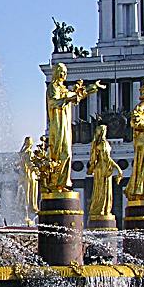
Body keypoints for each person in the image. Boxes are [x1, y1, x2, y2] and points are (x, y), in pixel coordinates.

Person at [45, 63, 101, 191]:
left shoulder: (63, 89)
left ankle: (62, 183)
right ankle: (55, 183)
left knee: (67, 153)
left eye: (65, 72)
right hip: (57, 124)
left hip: (65, 124)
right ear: (56, 73)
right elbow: (54, 102)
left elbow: (76, 97)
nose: (64, 75)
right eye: (62, 72)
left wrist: (92, 88)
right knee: (59, 152)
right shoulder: (53, 87)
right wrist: (68, 99)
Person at [87, 125, 122, 217]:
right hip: (103, 168)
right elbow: (107, 158)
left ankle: (100, 209)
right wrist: (118, 168)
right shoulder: (103, 143)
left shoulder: (99, 143)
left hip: (102, 168)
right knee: (103, 189)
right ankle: (102, 209)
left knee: (100, 189)